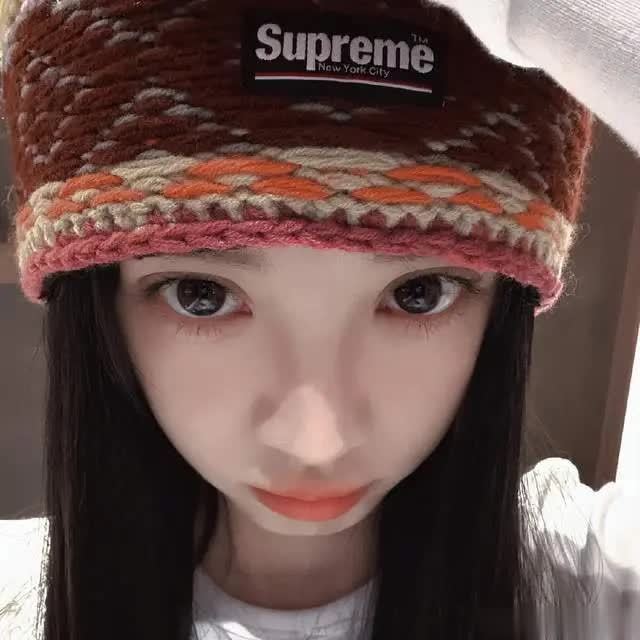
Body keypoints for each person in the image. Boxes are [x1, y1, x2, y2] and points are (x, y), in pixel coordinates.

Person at [0, 1, 638, 639]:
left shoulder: (593, 591)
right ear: (100, 304)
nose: (316, 440)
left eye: (420, 294)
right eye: (202, 295)